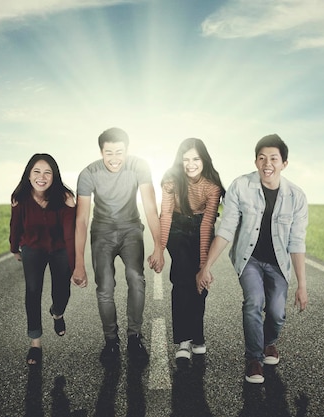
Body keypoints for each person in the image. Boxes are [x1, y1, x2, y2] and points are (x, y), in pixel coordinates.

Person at [196, 134, 308, 384]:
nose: (267, 164)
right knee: (254, 302)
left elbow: (297, 242)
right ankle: (254, 359)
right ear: (256, 161)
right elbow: (226, 229)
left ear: (284, 163)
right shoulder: (240, 186)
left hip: (279, 263)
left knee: (277, 313)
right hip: (250, 260)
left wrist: (301, 285)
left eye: (274, 159)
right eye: (262, 158)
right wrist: (206, 267)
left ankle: (269, 342)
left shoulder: (297, 197)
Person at [71, 127, 164, 363]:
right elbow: (81, 220)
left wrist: (159, 247)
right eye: (109, 152)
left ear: (127, 150)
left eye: (119, 152)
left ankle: (135, 337)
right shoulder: (88, 173)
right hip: (101, 230)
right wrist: (78, 264)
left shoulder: (139, 167)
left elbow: (151, 207)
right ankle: (111, 341)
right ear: (101, 152)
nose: (114, 158)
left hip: (131, 228)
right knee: (105, 286)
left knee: (136, 277)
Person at [159, 138, 224, 360]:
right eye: (185, 159)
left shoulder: (212, 186)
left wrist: (204, 265)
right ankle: (183, 341)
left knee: (199, 283)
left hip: (200, 229)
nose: (190, 164)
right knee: (182, 279)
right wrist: (159, 248)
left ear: (203, 159)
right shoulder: (171, 179)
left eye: (195, 158)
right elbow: (166, 215)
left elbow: (207, 224)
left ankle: (197, 335)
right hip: (176, 228)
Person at [9, 153, 76, 366]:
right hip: (33, 248)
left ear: (54, 176)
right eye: (36, 172)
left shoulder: (64, 197)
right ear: (29, 175)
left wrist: (72, 208)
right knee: (32, 291)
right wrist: (14, 248)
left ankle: (57, 313)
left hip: (59, 248)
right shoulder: (20, 197)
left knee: (62, 291)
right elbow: (15, 225)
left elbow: (70, 232)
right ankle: (35, 342)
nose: (42, 177)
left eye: (47, 172)